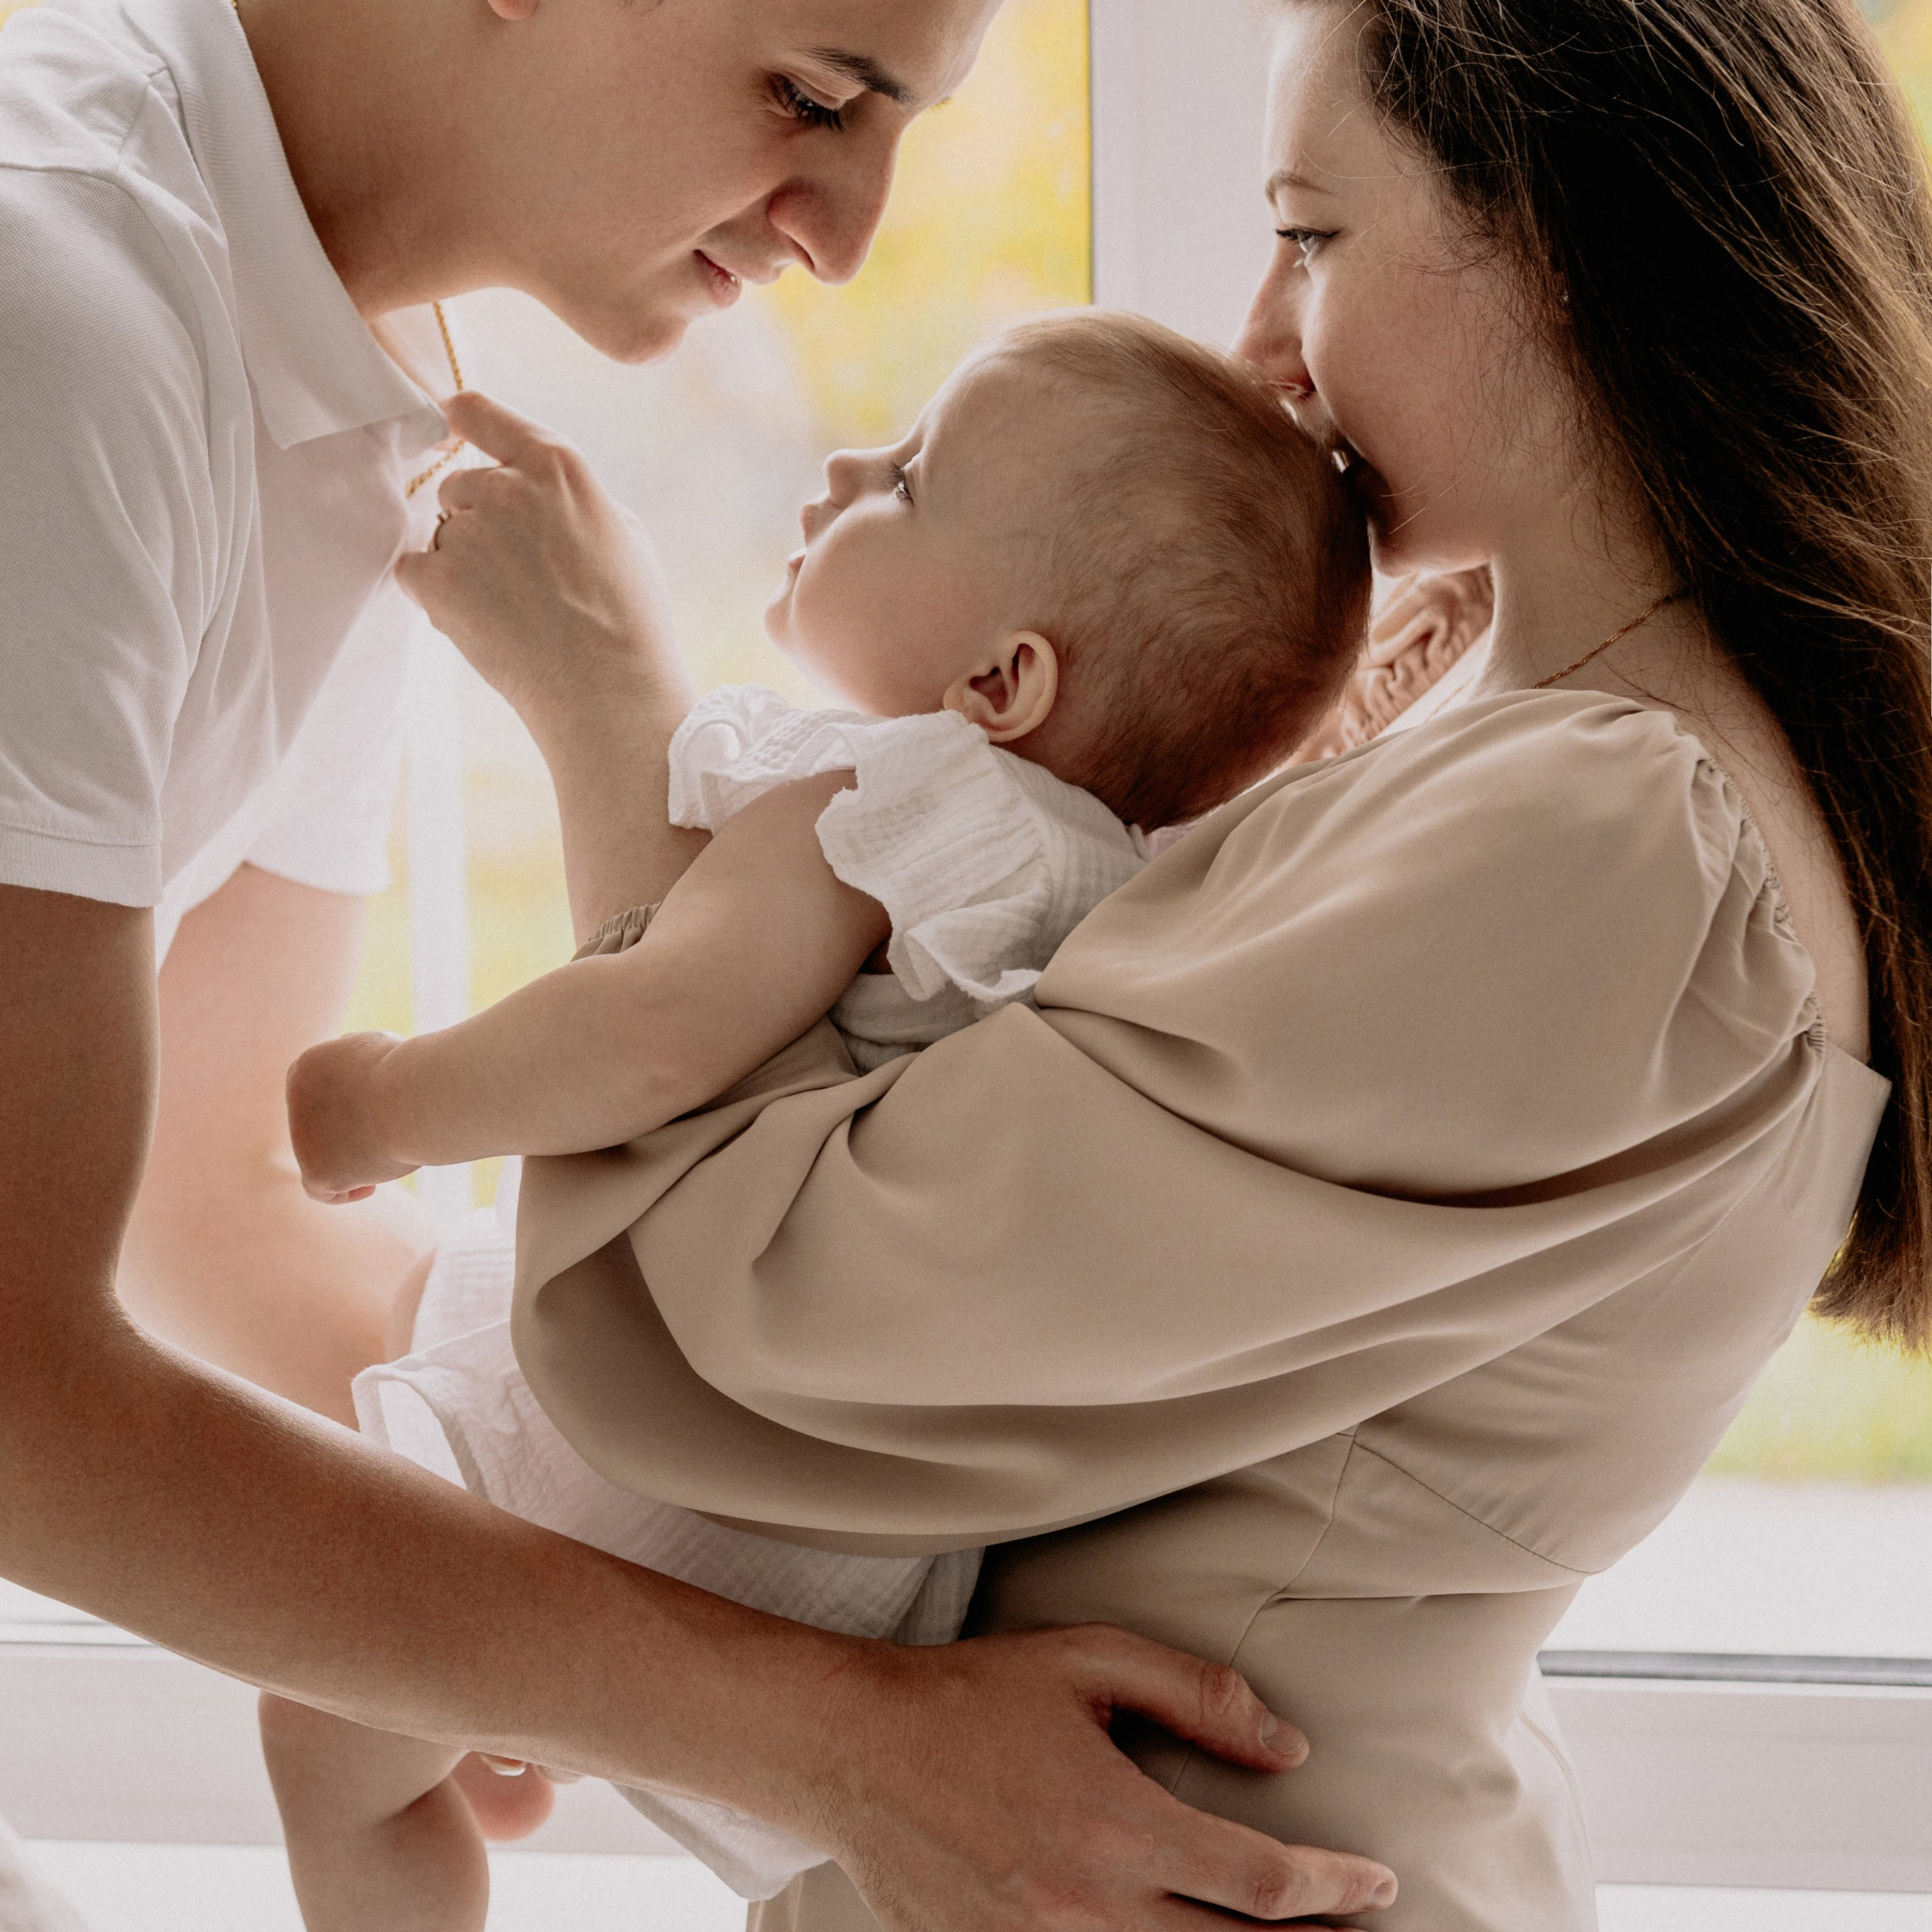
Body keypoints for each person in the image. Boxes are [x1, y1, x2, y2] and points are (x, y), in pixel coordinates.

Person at [377, 0, 1932, 1926]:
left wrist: (614, 720)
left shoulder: (1611, 835)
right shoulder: (1595, 770)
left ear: (1545, 241)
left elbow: (769, 1318)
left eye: (1311, 234)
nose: (1266, 349)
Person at [0, 0, 1403, 1924]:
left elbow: (218, 1191)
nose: (847, 232)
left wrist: (546, 1578)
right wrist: (830, 1730)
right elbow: (20, 1387)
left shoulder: (352, 387)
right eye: (814, 95)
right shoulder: (54, 304)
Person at [256, 309, 1374, 1924]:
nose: (848, 463)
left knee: (318, 1714)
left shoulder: (895, 795)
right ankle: (492, 1719)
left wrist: (380, 1098)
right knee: (418, 1708)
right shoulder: (1090, 884)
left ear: (1000, 679)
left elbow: (651, 1034)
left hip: (662, 1448)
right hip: (844, 1532)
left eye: (908, 481)